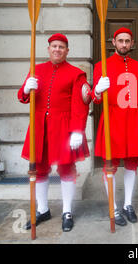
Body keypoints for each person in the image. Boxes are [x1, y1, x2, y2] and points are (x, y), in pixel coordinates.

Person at [18, 33, 91, 232]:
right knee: (39, 169)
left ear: (67, 51)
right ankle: (42, 209)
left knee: (66, 169)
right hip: (40, 126)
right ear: (48, 48)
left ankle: (67, 211)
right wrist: (26, 89)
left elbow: (80, 104)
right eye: (54, 46)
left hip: (64, 127)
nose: (57, 49)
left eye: (61, 47)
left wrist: (78, 131)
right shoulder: (36, 69)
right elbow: (23, 98)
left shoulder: (76, 73)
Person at [92, 27, 138, 226]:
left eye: (127, 41)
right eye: (121, 41)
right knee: (111, 165)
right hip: (113, 119)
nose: (124, 44)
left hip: (135, 119)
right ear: (114, 43)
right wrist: (98, 91)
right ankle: (113, 207)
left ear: (132, 43)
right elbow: (96, 99)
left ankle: (127, 204)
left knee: (132, 164)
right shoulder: (102, 65)